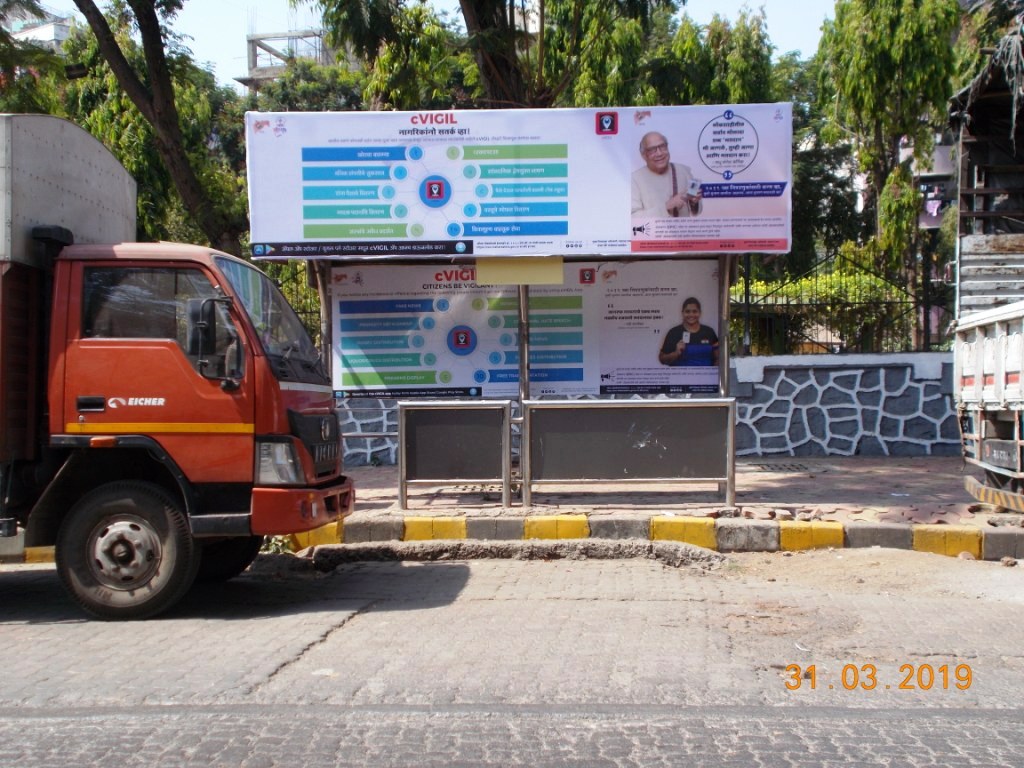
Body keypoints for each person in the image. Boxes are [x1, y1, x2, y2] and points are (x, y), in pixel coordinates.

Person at [631, 131, 702, 218]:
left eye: (662, 146)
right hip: (653, 227)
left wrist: (694, 202)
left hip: (683, 227)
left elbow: (696, 213)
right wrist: (666, 207)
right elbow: (633, 217)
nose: (659, 153)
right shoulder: (635, 178)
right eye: (652, 150)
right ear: (643, 155)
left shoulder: (684, 171)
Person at [659, 297, 719, 366]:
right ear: (682, 313)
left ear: (700, 313)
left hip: (705, 373)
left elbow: (718, 358)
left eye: (695, 311)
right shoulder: (673, 332)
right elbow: (662, 359)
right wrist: (676, 353)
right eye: (687, 311)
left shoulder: (709, 331)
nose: (691, 315)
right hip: (680, 373)